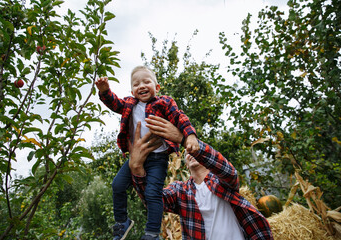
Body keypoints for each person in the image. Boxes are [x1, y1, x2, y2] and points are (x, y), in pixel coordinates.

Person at [129, 115, 274, 240]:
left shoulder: (221, 181)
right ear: (184, 163)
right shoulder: (181, 191)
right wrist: (137, 170)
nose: (190, 152)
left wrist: (184, 139)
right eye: (187, 151)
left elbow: (228, 172)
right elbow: (153, 200)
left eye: (192, 149)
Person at [96, 66, 199, 240]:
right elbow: (115, 104)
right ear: (132, 91)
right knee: (117, 185)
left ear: (157, 87)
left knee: (153, 193)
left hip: (157, 158)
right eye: (136, 84)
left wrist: (190, 136)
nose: (141, 86)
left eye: (147, 82)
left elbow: (180, 117)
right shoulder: (130, 104)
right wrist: (105, 91)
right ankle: (122, 221)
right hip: (136, 157)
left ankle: (152, 233)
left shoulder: (164, 102)